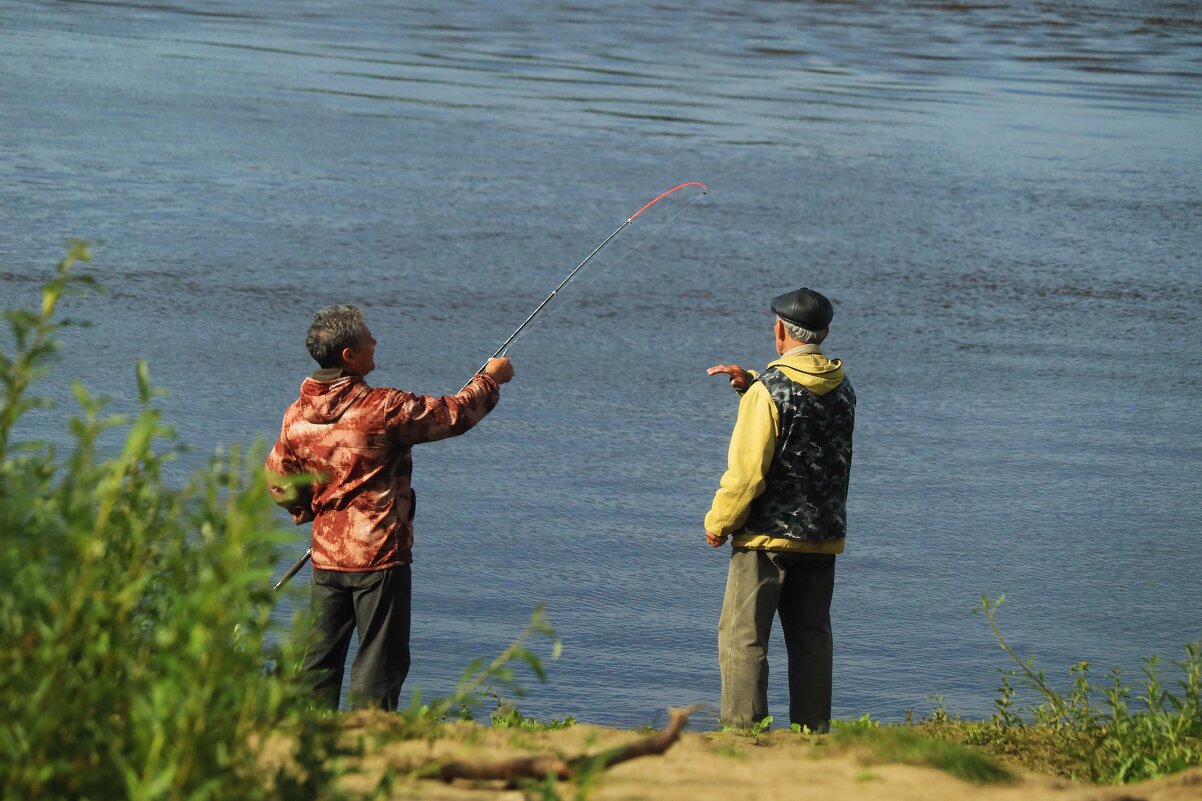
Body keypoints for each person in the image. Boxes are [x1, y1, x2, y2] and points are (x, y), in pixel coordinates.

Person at [265, 304, 513, 711]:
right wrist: (490, 379)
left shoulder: (295, 416)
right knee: (380, 663)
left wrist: (317, 513)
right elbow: (453, 415)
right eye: (367, 338)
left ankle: (305, 735)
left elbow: (278, 482)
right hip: (379, 558)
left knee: (319, 660)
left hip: (327, 558)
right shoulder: (382, 408)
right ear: (349, 356)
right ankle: (369, 744)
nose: (374, 341)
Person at [704, 287, 855, 733]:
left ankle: (744, 734)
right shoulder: (843, 387)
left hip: (765, 540)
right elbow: (805, 419)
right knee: (811, 638)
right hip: (823, 535)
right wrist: (751, 384)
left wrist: (718, 523)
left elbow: (748, 475)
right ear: (823, 333)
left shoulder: (769, 393)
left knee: (743, 637)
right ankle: (813, 732)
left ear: (780, 332)